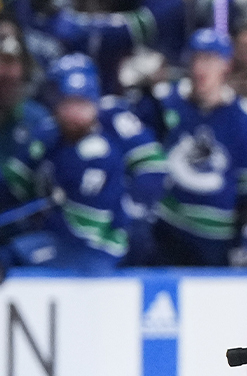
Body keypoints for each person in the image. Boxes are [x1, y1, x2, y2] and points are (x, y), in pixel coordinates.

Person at [1, 53, 163, 272]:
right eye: (69, 103)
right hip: (63, 239)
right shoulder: (48, 135)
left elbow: (153, 167)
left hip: (98, 242)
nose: (75, 113)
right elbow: (12, 185)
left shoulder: (109, 134)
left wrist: (132, 211)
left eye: (83, 102)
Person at [147, 28, 247, 266]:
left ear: (225, 65)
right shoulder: (163, 102)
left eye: (209, 60)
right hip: (166, 231)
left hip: (215, 240)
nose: (200, 68)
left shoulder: (245, 119)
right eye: (195, 58)